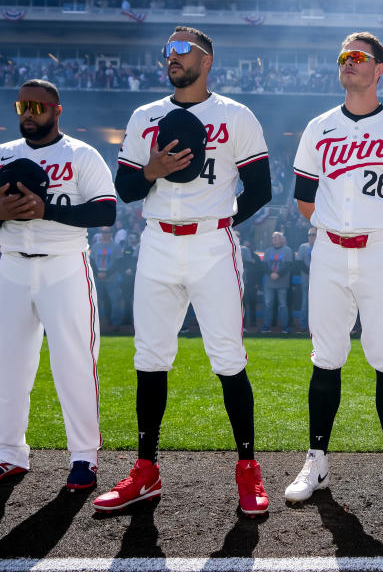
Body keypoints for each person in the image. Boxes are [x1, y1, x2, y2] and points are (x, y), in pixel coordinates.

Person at [95, 26, 272, 516]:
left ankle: (248, 469)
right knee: (149, 356)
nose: (170, 57)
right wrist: (150, 170)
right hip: (156, 242)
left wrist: (221, 220)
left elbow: (260, 188)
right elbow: (125, 189)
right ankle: (145, 471)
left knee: (228, 358)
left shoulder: (235, 115)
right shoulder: (144, 115)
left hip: (213, 243)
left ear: (206, 59)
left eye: (180, 49)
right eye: (166, 50)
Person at [285, 31, 383, 509]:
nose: (348, 63)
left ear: (380, 69)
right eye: (343, 56)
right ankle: (317, 461)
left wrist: (380, 236)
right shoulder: (318, 127)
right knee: (325, 358)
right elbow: (305, 202)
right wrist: (340, 234)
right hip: (328, 251)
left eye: (358, 57)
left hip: (380, 253)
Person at [0, 78, 117, 490]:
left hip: (65, 264)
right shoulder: (1, 154)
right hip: (12, 265)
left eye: (37, 107)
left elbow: (106, 213)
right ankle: (9, 452)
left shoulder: (81, 154)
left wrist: (44, 209)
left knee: (75, 364)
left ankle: (84, 457)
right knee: (10, 366)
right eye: (22, 107)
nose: (28, 115)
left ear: (56, 110)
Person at [90, 225, 124, 330]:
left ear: (111, 234)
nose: (105, 234)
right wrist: (97, 273)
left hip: (111, 279)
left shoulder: (116, 246)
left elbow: (118, 263)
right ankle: (98, 323)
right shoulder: (96, 246)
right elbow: (92, 262)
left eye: (107, 232)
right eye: (103, 232)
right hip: (97, 278)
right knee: (97, 302)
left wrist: (107, 273)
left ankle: (116, 324)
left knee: (115, 302)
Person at [261, 230, 293, 334]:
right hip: (269, 282)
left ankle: (285, 327)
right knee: (268, 304)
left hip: (282, 282)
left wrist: (278, 274)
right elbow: (264, 265)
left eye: (278, 237)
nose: (276, 239)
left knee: (283, 305)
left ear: (282, 239)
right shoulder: (268, 251)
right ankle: (267, 326)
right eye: (274, 238)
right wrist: (271, 273)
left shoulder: (287, 250)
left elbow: (288, 265)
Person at [295, 227, 316, 331]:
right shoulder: (303, 247)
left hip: (320, 282)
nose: (311, 237)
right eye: (310, 235)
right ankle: (303, 326)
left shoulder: (322, 247)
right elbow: (299, 263)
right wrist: (311, 271)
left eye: (313, 235)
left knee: (319, 305)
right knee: (304, 304)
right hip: (306, 280)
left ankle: (317, 327)